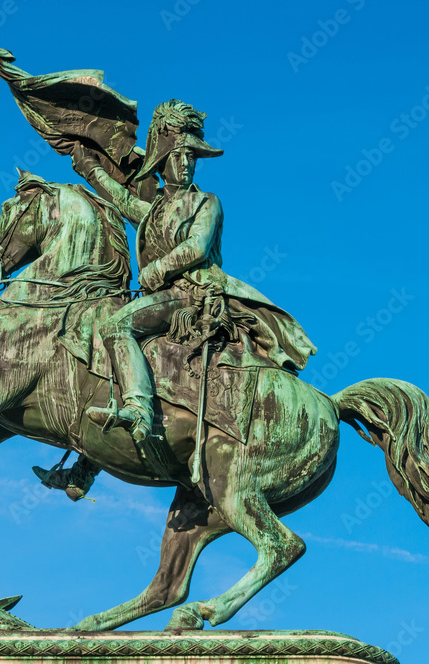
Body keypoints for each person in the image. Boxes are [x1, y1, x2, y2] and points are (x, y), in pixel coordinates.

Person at [36, 100, 317, 497]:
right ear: (163, 159)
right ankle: (87, 464)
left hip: (191, 295)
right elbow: (124, 201)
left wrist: (157, 269)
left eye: (192, 157)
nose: (186, 164)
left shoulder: (207, 202)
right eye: (179, 155)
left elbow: (198, 248)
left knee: (117, 326)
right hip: (167, 294)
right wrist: (90, 169)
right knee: (103, 352)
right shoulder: (158, 208)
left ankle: (136, 408)